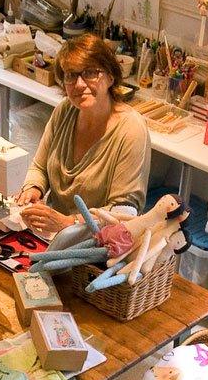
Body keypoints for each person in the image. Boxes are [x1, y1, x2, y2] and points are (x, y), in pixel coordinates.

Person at [17, 34, 151, 234]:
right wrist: (32, 189)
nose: (79, 84)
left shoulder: (131, 129)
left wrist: (69, 223)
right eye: (70, 75)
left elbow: (124, 212)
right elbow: (40, 166)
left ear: (110, 77)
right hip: (55, 237)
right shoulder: (65, 111)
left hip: (99, 246)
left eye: (90, 73)